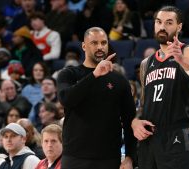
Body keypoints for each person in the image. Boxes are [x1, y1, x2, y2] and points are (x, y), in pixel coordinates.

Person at [131, 6, 189, 169]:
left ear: (179, 27)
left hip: (178, 134)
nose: (162, 27)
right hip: (149, 139)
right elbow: (143, 104)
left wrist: (183, 61)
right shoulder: (146, 63)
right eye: (159, 22)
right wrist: (135, 122)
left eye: (169, 22)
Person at [57, 27, 136, 169]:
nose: (100, 47)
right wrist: (94, 75)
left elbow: (130, 121)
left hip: (108, 158)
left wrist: (130, 156)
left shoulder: (119, 80)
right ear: (83, 46)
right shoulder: (69, 74)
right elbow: (66, 99)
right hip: (74, 157)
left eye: (103, 43)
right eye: (94, 43)